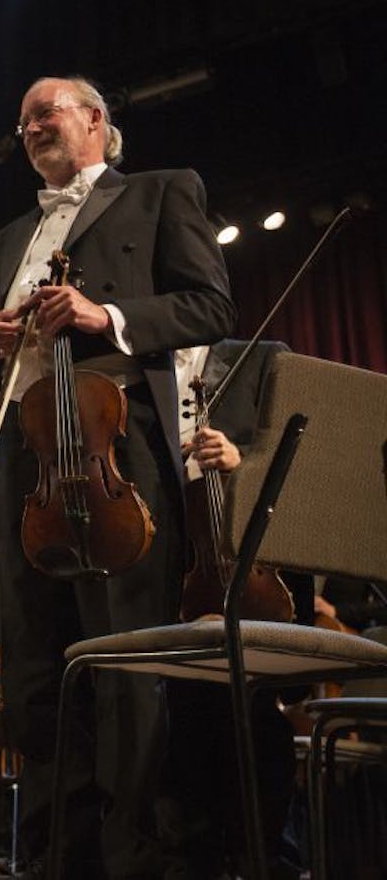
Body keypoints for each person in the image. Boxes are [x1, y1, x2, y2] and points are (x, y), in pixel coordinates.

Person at [0, 76, 236, 876]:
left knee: (121, 656)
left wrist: (102, 316)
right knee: (38, 662)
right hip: (23, 453)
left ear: (96, 121)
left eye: (47, 112)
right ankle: (52, 861)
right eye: (23, 120)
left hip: (116, 445)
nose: (32, 127)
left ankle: (133, 856)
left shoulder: (160, 192)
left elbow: (212, 306)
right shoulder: (9, 237)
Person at [162, 338, 310, 878]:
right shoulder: (132, 373)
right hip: (178, 570)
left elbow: (305, 458)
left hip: (251, 562)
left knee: (250, 720)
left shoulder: (262, 358)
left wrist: (240, 460)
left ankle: (265, 855)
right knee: (180, 726)